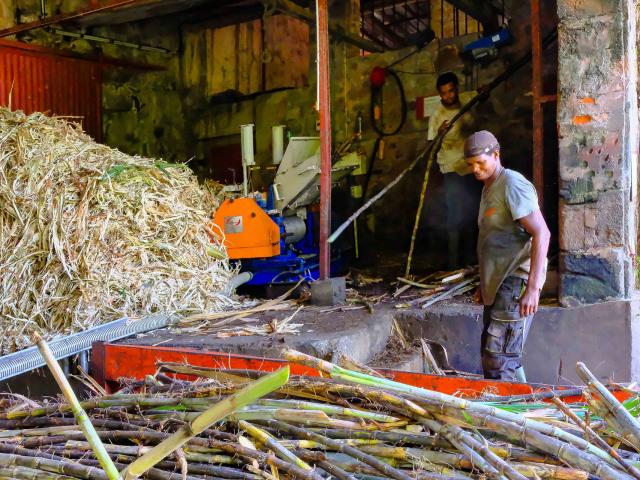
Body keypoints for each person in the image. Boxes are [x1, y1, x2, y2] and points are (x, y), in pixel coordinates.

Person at [464, 130, 550, 382]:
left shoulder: (512, 183)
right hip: (500, 284)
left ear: (496, 155)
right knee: (500, 354)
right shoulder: (489, 187)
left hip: (515, 282)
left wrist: (533, 288)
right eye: (471, 165)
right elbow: (495, 241)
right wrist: (485, 284)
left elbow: (541, 233)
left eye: (481, 162)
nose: (476, 170)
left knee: (499, 361)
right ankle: (524, 403)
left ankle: (511, 418)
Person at [427, 72, 479, 268]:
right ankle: (453, 263)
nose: (448, 96)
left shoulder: (466, 100)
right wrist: (441, 133)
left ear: (457, 88)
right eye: (444, 93)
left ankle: (471, 259)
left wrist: (484, 93)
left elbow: (481, 95)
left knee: (473, 212)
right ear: (439, 95)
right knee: (456, 216)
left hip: (472, 168)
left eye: (451, 91)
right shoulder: (437, 117)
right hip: (451, 170)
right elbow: (431, 149)